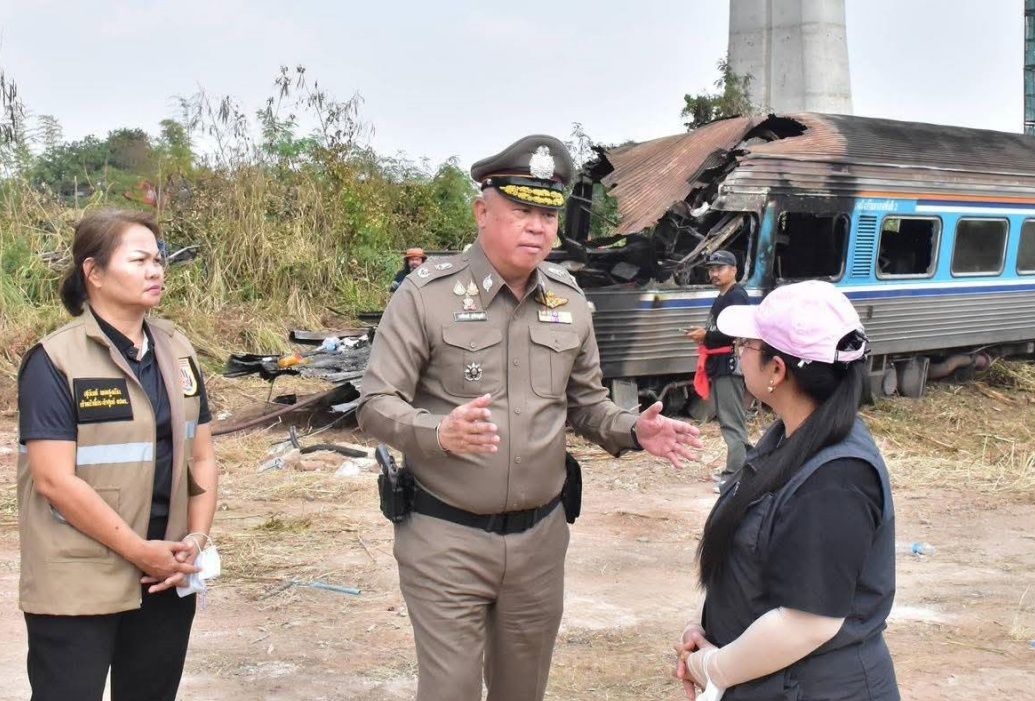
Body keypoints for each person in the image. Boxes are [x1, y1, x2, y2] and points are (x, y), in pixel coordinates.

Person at [356, 134, 703, 701]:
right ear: (482, 211)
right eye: (522, 210)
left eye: (548, 214)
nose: (538, 227)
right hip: (445, 537)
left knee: (523, 692)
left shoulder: (569, 301)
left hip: (540, 543)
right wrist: (437, 432)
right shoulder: (426, 296)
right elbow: (375, 404)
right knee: (451, 691)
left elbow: (586, 405)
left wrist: (633, 429)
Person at [16, 209, 219, 701]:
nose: (156, 270)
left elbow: (202, 456)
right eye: (140, 259)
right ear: (95, 273)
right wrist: (138, 551)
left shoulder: (177, 350)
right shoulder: (55, 360)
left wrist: (195, 538)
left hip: (166, 575)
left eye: (159, 259)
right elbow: (53, 482)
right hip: (77, 580)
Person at [674, 280, 900, 701]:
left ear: (777, 370)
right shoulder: (789, 440)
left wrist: (713, 666)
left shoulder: (837, 478)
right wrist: (704, 629)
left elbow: (809, 621)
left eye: (746, 345)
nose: (739, 354)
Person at [686, 250, 750, 491]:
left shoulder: (737, 297)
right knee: (731, 419)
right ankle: (741, 468)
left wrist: (707, 335)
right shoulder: (724, 296)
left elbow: (735, 331)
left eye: (719, 268)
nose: (714, 273)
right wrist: (704, 334)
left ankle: (736, 476)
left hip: (730, 365)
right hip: (719, 364)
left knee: (732, 422)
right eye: (712, 269)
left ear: (734, 271)